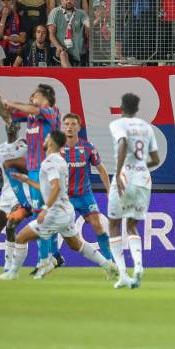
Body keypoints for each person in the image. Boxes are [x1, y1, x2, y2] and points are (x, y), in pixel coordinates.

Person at [0, 83, 62, 274]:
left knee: (48, 217)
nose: (31, 98)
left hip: (49, 168)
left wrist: (10, 101)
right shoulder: (31, 117)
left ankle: (50, 257)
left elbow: (33, 109)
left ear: (45, 96)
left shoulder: (51, 112)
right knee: (39, 216)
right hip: (35, 169)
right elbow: (6, 115)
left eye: (34, 95)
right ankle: (46, 259)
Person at [108, 92, 162, 289]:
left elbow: (122, 142)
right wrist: (140, 166)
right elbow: (155, 159)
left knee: (114, 223)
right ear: (137, 109)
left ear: (121, 108)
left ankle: (123, 274)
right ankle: (138, 265)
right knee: (132, 225)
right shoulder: (147, 127)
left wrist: (119, 171)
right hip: (143, 179)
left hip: (124, 177)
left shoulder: (117, 124)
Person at [59, 113, 114, 264]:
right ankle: (52, 258)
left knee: (97, 225)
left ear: (79, 127)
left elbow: (101, 169)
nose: (69, 127)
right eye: (67, 124)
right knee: (54, 228)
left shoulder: (88, 147)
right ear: (63, 127)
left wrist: (109, 190)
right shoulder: (56, 148)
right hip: (65, 197)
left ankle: (110, 261)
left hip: (84, 195)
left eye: (73, 124)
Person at [0, 120, 32, 278]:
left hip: (23, 194)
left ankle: (8, 267)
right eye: (8, 124)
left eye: (14, 124)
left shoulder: (24, 146)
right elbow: (2, 173)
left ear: (18, 127)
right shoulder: (1, 148)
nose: (10, 126)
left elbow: (31, 168)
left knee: (10, 227)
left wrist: (16, 164)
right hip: (5, 196)